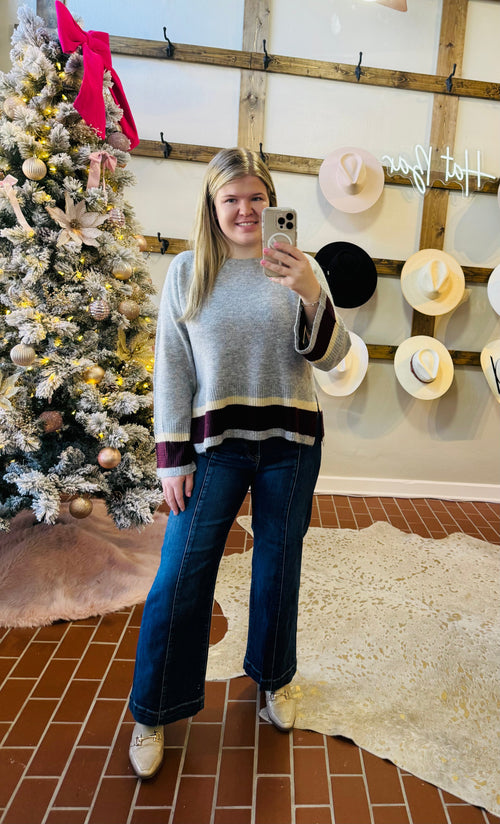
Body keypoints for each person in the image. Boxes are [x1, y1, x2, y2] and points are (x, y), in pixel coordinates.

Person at [128, 147, 351, 778]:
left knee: (278, 567)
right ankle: (153, 709)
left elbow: (332, 357)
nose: (246, 209)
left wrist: (311, 293)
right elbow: (171, 368)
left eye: (257, 198)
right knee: (180, 574)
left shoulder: (301, 268)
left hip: (291, 442)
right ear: (213, 204)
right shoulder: (188, 270)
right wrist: (171, 457)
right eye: (232, 199)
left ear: (272, 202)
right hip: (214, 447)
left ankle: (274, 679)